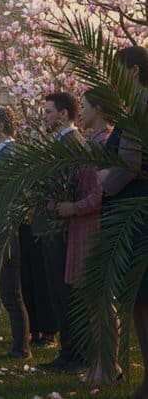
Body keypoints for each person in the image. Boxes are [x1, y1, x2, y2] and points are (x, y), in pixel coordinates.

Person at [98, 46, 148, 396]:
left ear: (131, 71)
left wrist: (105, 180)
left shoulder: (139, 106)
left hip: (135, 212)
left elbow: (130, 162)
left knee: (141, 298)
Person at [38, 92, 89, 373]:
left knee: (67, 292)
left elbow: (73, 183)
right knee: (56, 291)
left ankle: (75, 354)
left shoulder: (73, 143)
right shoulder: (58, 143)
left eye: (48, 112)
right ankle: (67, 352)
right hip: (51, 224)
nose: (44, 117)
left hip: (64, 226)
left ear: (65, 114)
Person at [0, 106, 32, 359]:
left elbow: (18, 188)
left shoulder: (11, 151)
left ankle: (21, 347)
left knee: (12, 291)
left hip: (7, 227)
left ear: (2, 126)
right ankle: (18, 344)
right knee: (6, 290)